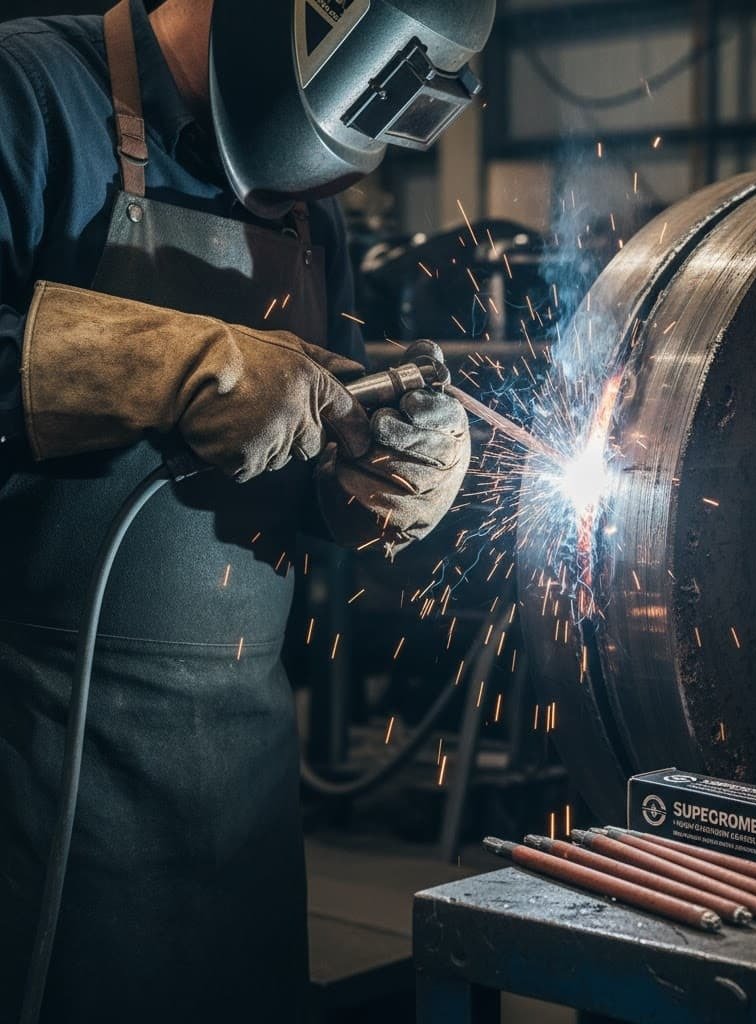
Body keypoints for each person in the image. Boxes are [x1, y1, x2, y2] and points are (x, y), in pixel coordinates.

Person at [0, 0, 495, 1020]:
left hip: (242, 789)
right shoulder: (30, 95)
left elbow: (290, 473)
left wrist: (372, 478)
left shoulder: (304, 208)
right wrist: (150, 360)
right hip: (37, 760)